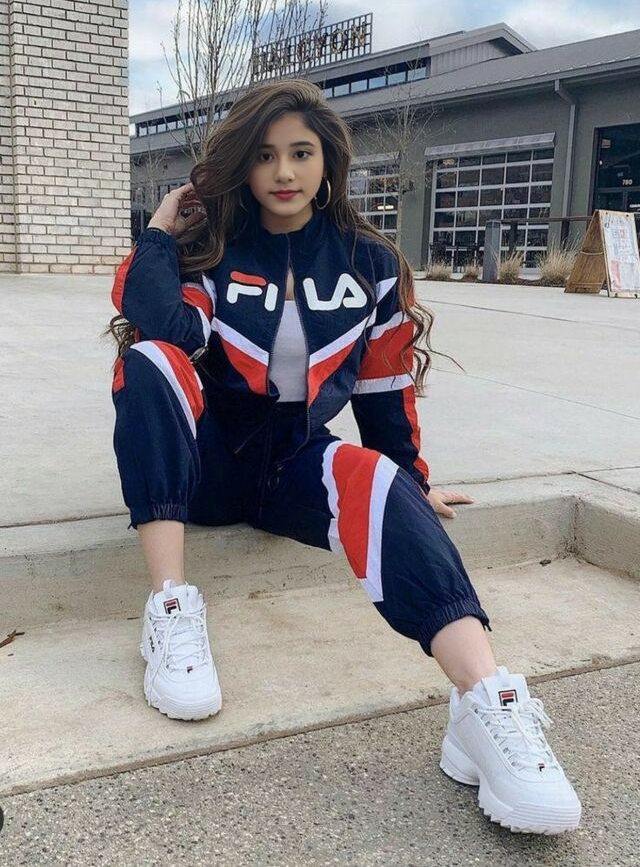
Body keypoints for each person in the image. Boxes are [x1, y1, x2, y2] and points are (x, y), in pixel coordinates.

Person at [106, 78, 581, 835]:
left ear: (329, 161)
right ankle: (170, 606)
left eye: (301, 153)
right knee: (152, 362)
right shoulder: (215, 252)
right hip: (208, 465)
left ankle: (485, 705)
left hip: (295, 460)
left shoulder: (370, 263)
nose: (283, 172)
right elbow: (163, 322)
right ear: (244, 165)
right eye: (265, 155)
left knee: (381, 478)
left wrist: (411, 483)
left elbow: (386, 388)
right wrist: (163, 232)